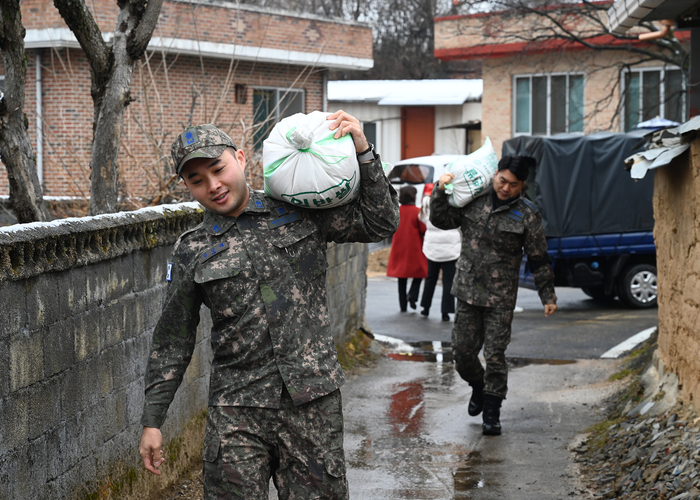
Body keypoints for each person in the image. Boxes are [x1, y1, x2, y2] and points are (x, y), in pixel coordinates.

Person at [137, 111, 399, 499]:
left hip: (312, 402)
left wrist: (363, 151)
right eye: (197, 180)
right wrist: (153, 421)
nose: (213, 185)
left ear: (241, 159)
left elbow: (381, 223)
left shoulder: (301, 209)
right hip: (237, 412)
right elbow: (173, 338)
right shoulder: (193, 249)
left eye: (218, 169)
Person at [430, 155, 557, 436]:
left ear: (522, 185)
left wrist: (547, 295)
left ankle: (492, 411)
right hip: (467, 291)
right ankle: (479, 386)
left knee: (495, 355)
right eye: (502, 181)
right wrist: (439, 190)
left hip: (500, 297)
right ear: (495, 174)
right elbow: (442, 220)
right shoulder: (474, 199)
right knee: (462, 354)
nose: (505, 188)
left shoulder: (526, 214)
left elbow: (538, 257)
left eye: (513, 184)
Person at [418, 184, 461, 322]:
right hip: (452, 248)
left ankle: (425, 307)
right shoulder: (455, 204)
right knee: (448, 281)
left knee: (431, 278)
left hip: (432, 247)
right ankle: (446, 312)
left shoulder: (428, 204)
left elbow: (422, 220)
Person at [386, 186, 427, 312]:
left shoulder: (396, 211)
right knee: (419, 273)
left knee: (401, 278)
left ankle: (402, 305)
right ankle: (413, 296)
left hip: (399, 247)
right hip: (414, 247)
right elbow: (423, 229)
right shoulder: (417, 211)